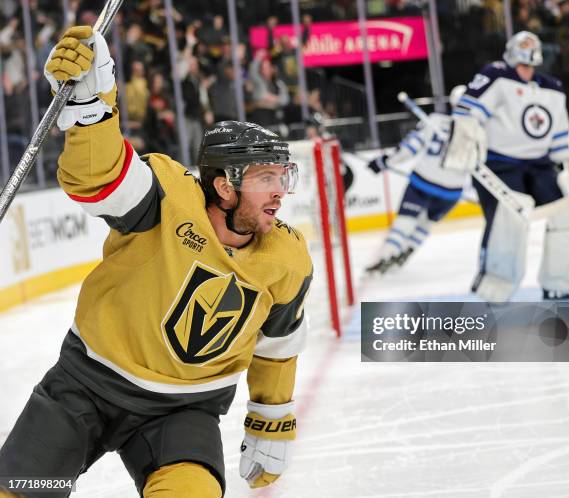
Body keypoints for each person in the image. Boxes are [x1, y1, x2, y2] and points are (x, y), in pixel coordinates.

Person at [0, 26, 312, 498]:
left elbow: (277, 345)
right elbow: (100, 179)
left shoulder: (286, 258)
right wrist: (90, 112)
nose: (279, 192)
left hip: (183, 411)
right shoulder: (166, 198)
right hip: (87, 384)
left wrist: (272, 421)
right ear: (224, 186)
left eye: (283, 176)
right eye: (266, 177)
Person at [451, 31, 569, 301]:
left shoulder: (552, 88)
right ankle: (498, 281)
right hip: (501, 164)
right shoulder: (496, 75)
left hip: (540, 165)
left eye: (529, 59)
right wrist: (464, 144)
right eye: (521, 59)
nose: (524, 67)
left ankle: (559, 278)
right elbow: (468, 112)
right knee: (510, 220)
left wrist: (562, 165)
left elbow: (560, 131)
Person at [365, 86, 470, 275]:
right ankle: (409, 249)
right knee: (427, 223)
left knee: (405, 219)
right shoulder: (478, 132)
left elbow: (410, 147)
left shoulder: (435, 121)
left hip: (424, 180)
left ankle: (387, 256)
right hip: (453, 190)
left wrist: (384, 162)